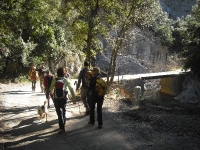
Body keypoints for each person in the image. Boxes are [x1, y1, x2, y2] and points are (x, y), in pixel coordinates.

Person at [50, 67, 76, 133]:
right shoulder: (66, 80)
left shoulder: (54, 80)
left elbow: (51, 90)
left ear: (57, 73)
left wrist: (51, 94)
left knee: (59, 113)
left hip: (57, 98)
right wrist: (74, 98)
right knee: (63, 110)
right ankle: (63, 124)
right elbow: (71, 89)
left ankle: (61, 128)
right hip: (64, 98)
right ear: (64, 73)